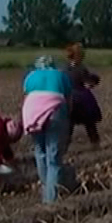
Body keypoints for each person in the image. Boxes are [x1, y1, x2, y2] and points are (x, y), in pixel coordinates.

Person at [22, 55, 74, 204]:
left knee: (40, 152)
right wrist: (67, 119)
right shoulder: (61, 75)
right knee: (54, 157)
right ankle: (51, 199)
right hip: (55, 110)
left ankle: (47, 188)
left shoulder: (30, 76)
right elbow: (69, 100)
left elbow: (26, 99)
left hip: (32, 112)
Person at [64, 43, 103, 148]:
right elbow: (89, 82)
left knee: (69, 124)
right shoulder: (81, 68)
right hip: (81, 98)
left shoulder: (64, 68)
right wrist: (95, 79)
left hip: (68, 98)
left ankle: (64, 146)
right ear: (78, 56)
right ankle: (95, 143)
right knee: (89, 122)